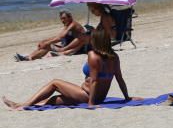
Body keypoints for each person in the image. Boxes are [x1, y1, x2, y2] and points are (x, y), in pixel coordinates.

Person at [4, 24, 135, 109]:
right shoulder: (114, 57)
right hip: (97, 96)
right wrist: (126, 97)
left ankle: (22, 106)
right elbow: (119, 79)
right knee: (55, 100)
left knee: (54, 83)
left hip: (87, 95)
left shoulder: (93, 56)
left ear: (97, 40)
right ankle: (21, 105)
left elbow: (94, 81)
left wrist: (91, 103)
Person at [15, 10, 88, 61]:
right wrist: (45, 41)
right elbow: (58, 36)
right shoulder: (67, 25)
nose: (62, 20)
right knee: (46, 45)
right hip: (67, 46)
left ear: (70, 17)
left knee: (47, 45)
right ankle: (29, 57)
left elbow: (60, 37)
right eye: (61, 19)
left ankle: (29, 57)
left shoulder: (73, 24)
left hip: (76, 49)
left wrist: (47, 43)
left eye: (64, 18)